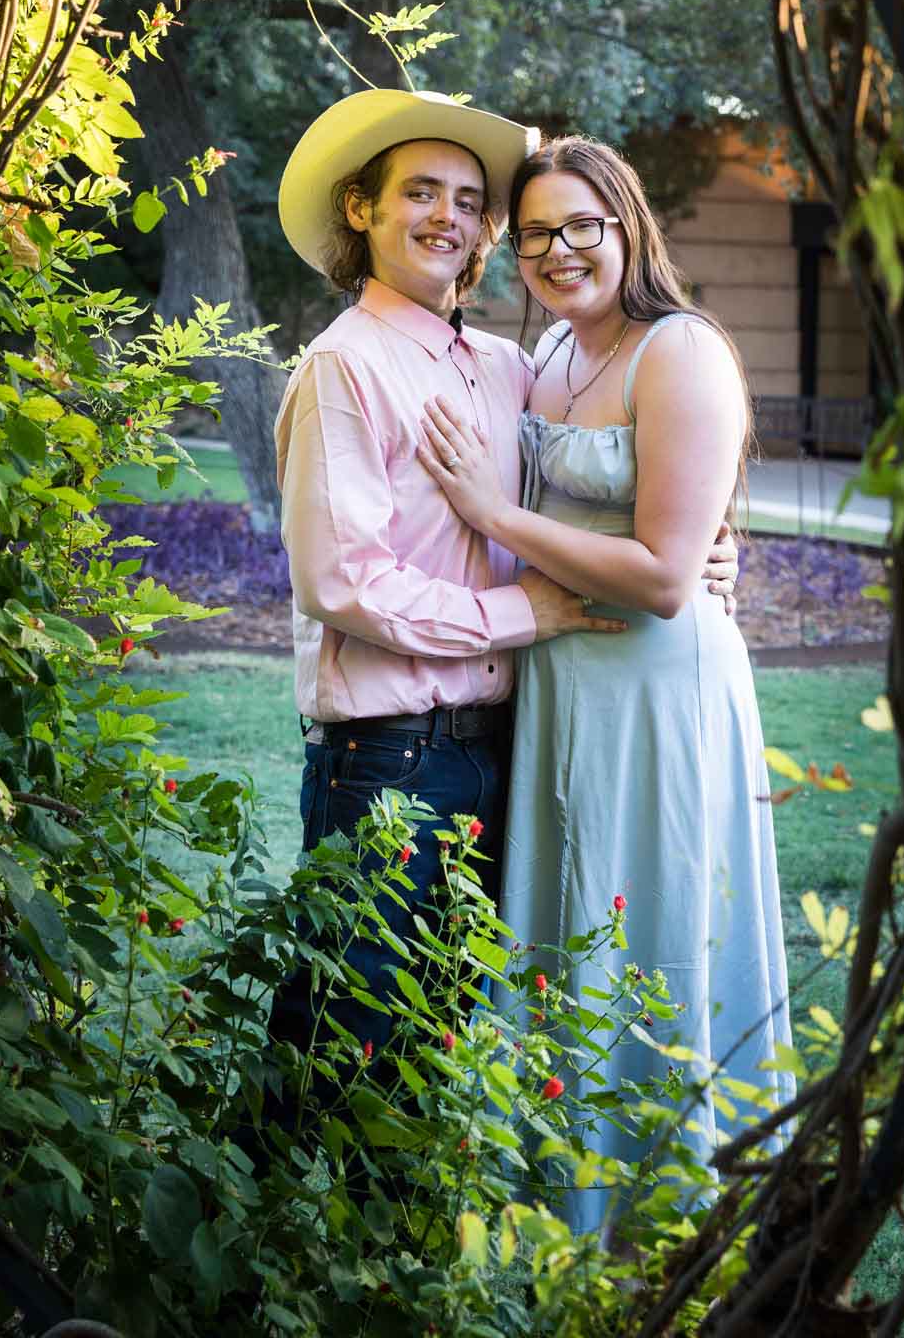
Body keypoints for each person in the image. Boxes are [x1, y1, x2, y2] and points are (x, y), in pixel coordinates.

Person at [265, 90, 735, 1109]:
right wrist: (532, 612)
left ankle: (399, 1257)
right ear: (361, 208)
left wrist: (702, 548)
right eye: (419, 192)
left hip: (504, 743)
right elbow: (342, 582)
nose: (447, 215)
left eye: (468, 199)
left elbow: (615, 477)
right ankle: (279, 1264)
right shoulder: (342, 365)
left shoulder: (507, 367)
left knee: (441, 1032)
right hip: (388, 753)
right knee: (340, 1036)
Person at [418, 134, 791, 1236]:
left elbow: (671, 576)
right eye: (535, 233)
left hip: (656, 694)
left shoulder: (679, 347)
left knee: (655, 924)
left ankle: (671, 1206)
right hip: (558, 686)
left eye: (583, 223)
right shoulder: (548, 364)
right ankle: (564, 1199)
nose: (559, 248)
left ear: (628, 225)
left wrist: (496, 513)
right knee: (568, 926)